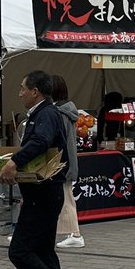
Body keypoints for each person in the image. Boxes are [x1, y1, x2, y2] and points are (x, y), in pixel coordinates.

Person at [0, 70, 75, 269]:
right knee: (44, 252)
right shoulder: (43, 114)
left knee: (19, 252)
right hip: (40, 193)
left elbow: (41, 142)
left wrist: (14, 162)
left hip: (43, 196)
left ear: (36, 92)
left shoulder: (46, 114)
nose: (19, 93)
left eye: (22, 88)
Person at [51, 75, 85, 249]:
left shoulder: (60, 113)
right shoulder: (67, 111)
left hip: (63, 163)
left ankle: (75, 234)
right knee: (65, 198)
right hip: (68, 161)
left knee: (66, 199)